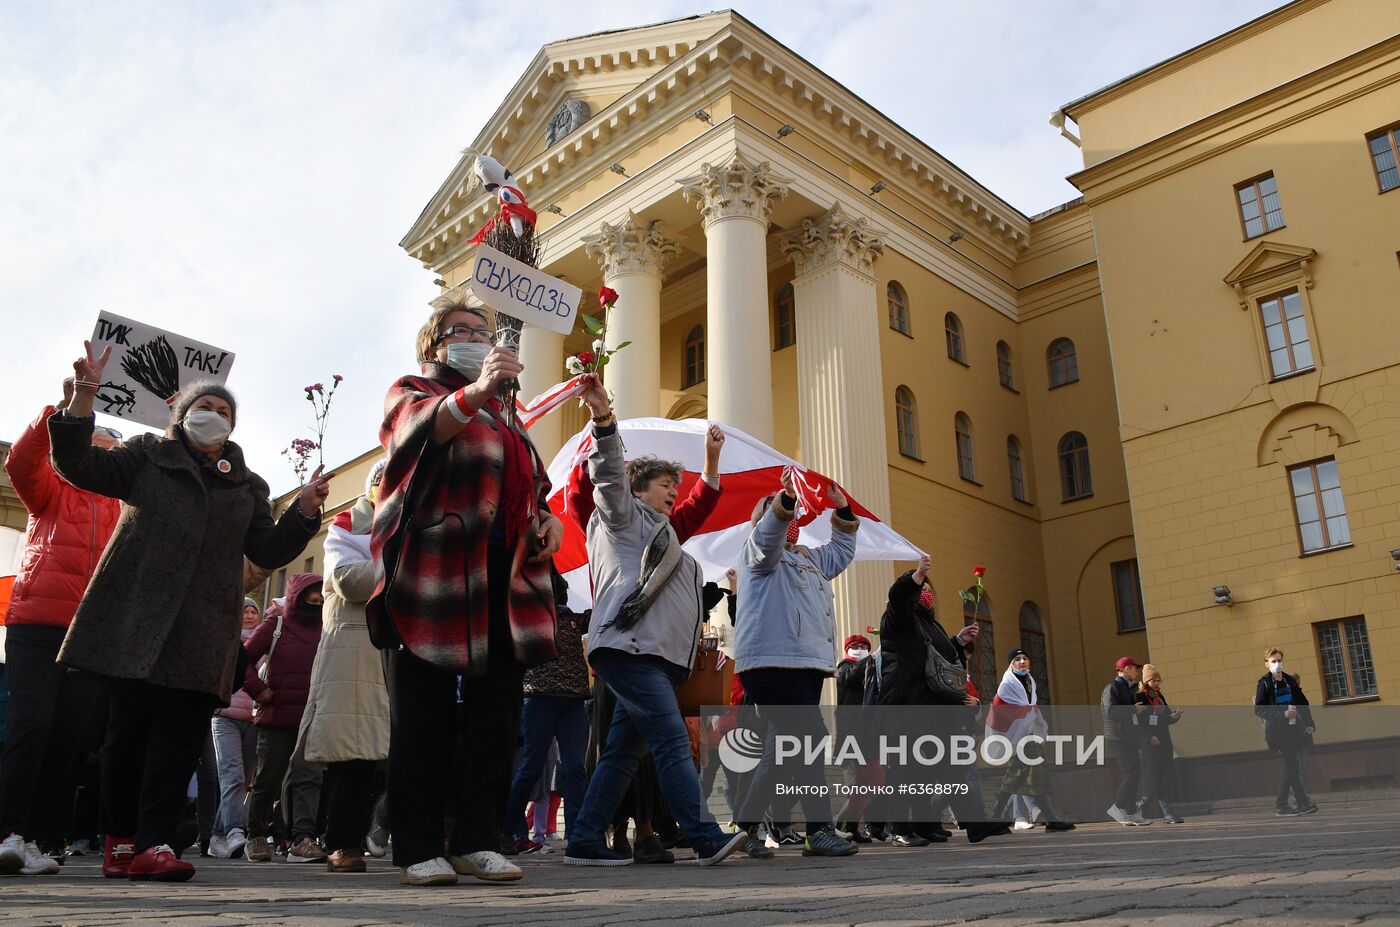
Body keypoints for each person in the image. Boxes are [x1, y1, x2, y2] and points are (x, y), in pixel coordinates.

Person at [43, 356, 328, 882]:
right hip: (136, 621)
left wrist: (304, 512)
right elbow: (79, 465)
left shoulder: (247, 486)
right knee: (125, 738)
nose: (214, 414)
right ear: (182, 414)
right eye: (205, 405)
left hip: (200, 633)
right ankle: (120, 844)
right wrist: (82, 399)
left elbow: (267, 547)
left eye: (224, 410)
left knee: (176, 743)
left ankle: (154, 844)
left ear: (232, 427)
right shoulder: (147, 456)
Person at [366, 297, 562, 887]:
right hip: (436, 568)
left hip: (503, 578)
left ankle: (478, 839)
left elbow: (532, 482)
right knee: (420, 713)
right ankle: (417, 844)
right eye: (462, 330)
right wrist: (477, 390)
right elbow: (418, 435)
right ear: (434, 345)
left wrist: (544, 519)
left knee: (495, 716)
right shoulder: (413, 389)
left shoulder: (508, 415)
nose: (476, 336)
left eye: (482, 329)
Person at [563, 378, 746, 868]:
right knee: (669, 741)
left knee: (623, 753)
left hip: (658, 656)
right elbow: (606, 477)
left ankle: (582, 840)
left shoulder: (665, 535)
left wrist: (708, 467)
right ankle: (705, 836)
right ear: (637, 490)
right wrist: (603, 420)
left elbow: (698, 506)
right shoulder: (621, 518)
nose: (673, 495)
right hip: (631, 649)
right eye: (666, 486)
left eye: (675, 487)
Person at [0, 385, 122, 877]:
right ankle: (9, 831)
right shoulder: (50, 487)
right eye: (95, 447)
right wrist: (67, 410)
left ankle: (39, 839)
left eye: (112, 453)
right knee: (32, 726)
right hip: (36, 624)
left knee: (68, 738)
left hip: (90, 634)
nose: (102, 458)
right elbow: (20, 463)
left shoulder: (122, 507)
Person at [731, 470, 860, 859]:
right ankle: (818, 831)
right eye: (782, 513)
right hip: (771, 664)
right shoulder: (757, 552)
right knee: (809, 739)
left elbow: (841, 551)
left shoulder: (807, 559)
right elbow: (770, 535)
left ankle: (745, 829)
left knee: (783, 750)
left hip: (805, 666)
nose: (790, 521)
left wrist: (842, 507)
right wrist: (784, 500)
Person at [879, 554, 1010, 845]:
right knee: (906, 769)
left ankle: (952, 825)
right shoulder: (897, 617)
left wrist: (958, 641)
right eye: (921, 589)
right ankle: (902, 829)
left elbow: (933, 657)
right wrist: (915, 576)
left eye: (927, 590)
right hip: (906, 706)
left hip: (929, 707)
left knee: (938, 766)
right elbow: (899, 599)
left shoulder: (928, 622)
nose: (925, 593)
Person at [298, 464, 390, 872]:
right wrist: (401, 562)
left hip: (396, 648)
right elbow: (349, 579)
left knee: (396, 754)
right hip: (357, 650)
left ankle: (398, 834)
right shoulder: (347, 525)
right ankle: (342, 841)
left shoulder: (415, 521)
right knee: (354, 753)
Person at [504, 566, 590, 855]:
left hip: (571, 701)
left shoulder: (575, 620)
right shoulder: (530, 617)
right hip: (540, 699)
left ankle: (577, 836)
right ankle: (510, 830)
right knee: (530, 768)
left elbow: (602, 610)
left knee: (575, 768)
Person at [241, 574, 326, 863]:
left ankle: (302, 838)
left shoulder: (327, 629)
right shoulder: (275, 626)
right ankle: (255, 835)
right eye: (311, 593)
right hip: (276, 717)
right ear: (296, 595)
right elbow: (243, 660)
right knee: (268, 778)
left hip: (312, 718)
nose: (317, 599)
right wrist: (258, 690)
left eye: (320, 593)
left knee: (308, 779)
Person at [986, 649, 1074, 832]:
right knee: (1017, 774)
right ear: (1011, 664)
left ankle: (1050, 819)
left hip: (1028, 734)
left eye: (1025, 658)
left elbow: (1028, 706)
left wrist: (1031, 719)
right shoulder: (1007, 685)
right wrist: (1024, 718)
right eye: (1017, 659)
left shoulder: (1029, 681)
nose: (1022, 661)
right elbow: (1001, 711)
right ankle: (995, 818)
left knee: (1035, 775)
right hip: (1015, 735)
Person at [207, 599, 262, 859]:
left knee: (243, 782)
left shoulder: (265, 640)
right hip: (224, 715)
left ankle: (216, 836)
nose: (250, 615)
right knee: (233, 776)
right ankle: (234, 831)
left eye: (254, 611)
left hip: (252, 719)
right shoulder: (225, 637)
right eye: (245, 610)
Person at [1253, 648, 1318, 817]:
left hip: (1295, 729)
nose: (1277, 664)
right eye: (1273, 661)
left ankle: (1281, 805)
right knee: (1293, 767)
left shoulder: (1289, 680)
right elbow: (1259, 709)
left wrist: (1309, 724)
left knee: (1289, 769)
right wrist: (1282, 714)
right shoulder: (1264, 683)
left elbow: (1302, 703)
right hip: (1279, 731)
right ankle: (1302, 803)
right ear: (1266, 664)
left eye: (1279, 660)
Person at [834, 633, 880, 843]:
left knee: (873, 782)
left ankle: (849, 826)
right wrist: (873, 657)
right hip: (850, 740)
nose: (860, 648)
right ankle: (840, 827)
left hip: (868, 738)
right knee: (855, 787)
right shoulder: (844, 666)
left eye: (864, 645)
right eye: (856, 645)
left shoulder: (871, 671)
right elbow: (850, 676)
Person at [1102, 656, 1151, 826]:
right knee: (1131, 772)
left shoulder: (1128, 689)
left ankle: (1130, 812)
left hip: (1128, 738)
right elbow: (1110, 712)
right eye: (1133, 669)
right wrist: (1133, 709)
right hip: (1116, 737)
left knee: (1135, 773)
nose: (1136, 672)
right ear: (1124, 669)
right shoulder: (1112, 688)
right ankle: (1117, 807)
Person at [1134, 664, 1183, 823]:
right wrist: (1149, 737)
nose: (1156, 683)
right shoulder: (1140, 698)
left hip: (1164, 743)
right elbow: (1137, 723)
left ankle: (1147, 806)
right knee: (1155, 777)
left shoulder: (1160, 698)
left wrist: (1174, 718)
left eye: (1158, 680)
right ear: (1146, 681)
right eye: (1153, 680)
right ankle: (1163, 811)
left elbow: (1166, 718)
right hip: (1150, 745)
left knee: (1163, 776)